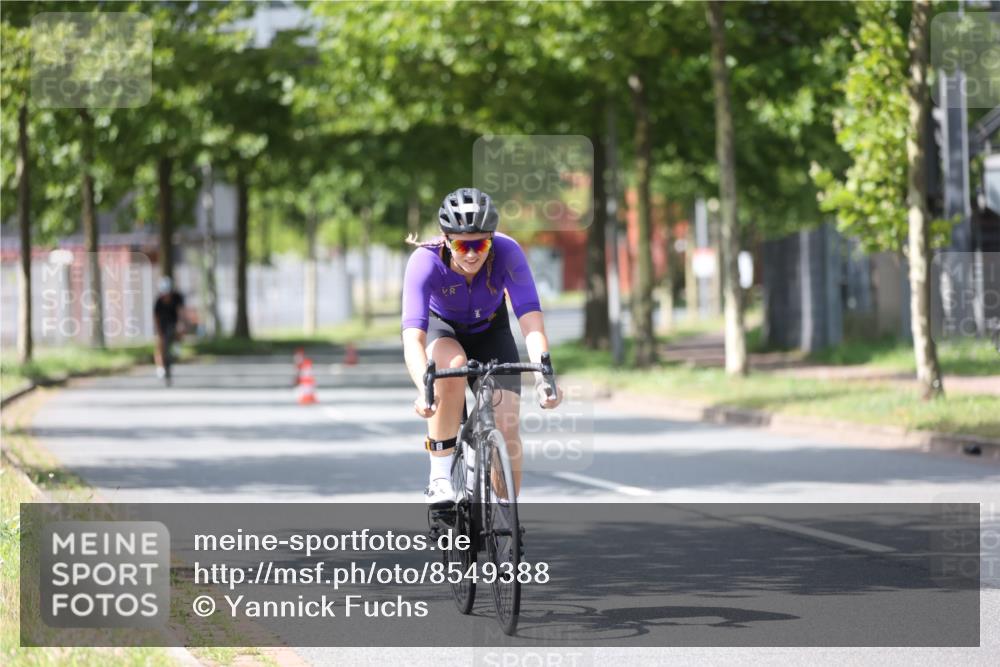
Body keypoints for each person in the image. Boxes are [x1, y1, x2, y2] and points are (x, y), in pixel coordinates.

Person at [401, 187, 563, 507]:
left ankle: (504, 516)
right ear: (446, 239)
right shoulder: (425, 261)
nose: (472, 253)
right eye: (462, 244)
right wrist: (425, 389)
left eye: (480, 244)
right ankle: (440, 478)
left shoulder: (508, 252)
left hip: (491, 329)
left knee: (507, 421)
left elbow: (531, 322)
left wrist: (546, 377)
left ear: (492, 239)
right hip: (443, 329)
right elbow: (413, 339)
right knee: (452, 365)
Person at [153, 276, 185, 384]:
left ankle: (177, 345)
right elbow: (156, 317)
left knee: (180, 329)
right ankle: (160, 367)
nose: (166, 296)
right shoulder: (158, 301)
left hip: (173, 322)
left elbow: (180, 311)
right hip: (162, 324)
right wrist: (158, 332)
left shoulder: (177, 297)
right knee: (160, 345)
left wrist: (181, 324)